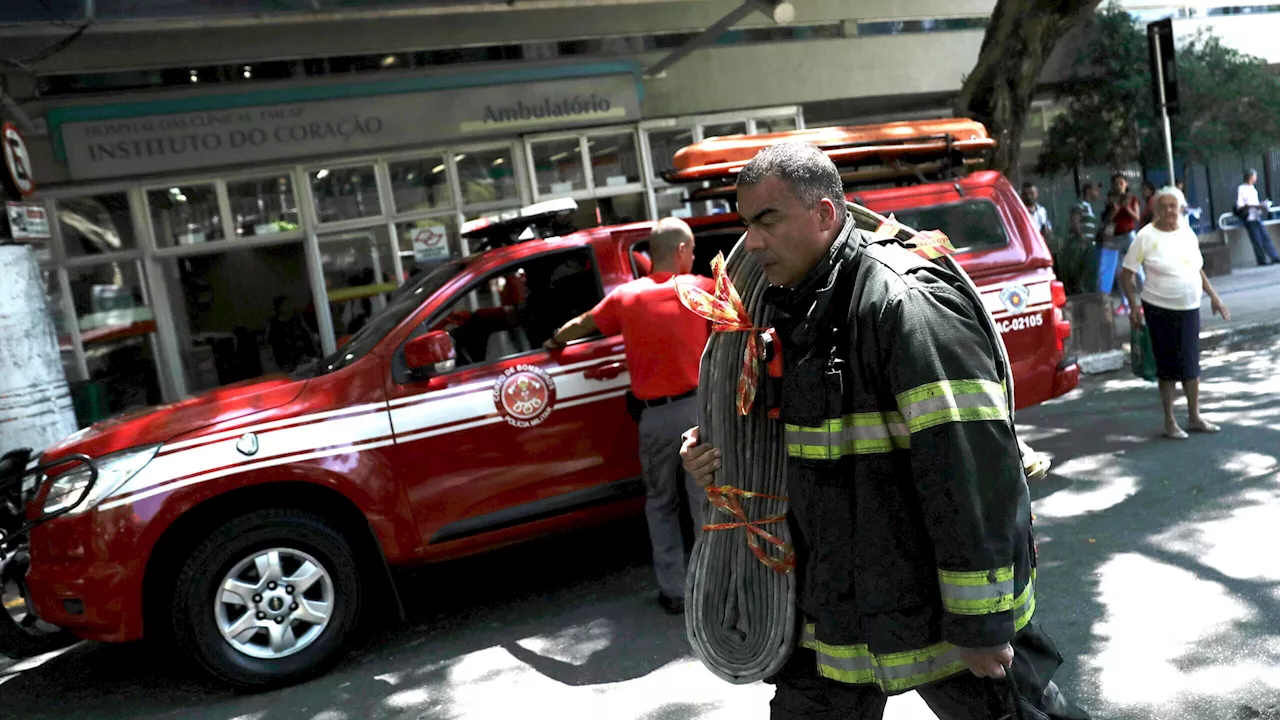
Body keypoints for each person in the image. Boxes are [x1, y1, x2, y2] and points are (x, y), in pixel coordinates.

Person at [679, 143, 1089, 719]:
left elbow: (970, 470)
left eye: (767, 220)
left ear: (824, 214)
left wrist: (982, 622)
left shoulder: (905, 305)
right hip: (835, 613)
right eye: (746, 223)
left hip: (932, 612)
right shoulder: (791, 312)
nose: (751, 243)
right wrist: (719, 452)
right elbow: (781, 437)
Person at [544, 217, 714, 615]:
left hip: (654, 418)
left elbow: (579, 326)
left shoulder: (626, 297)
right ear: (682, 251)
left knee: (660, 504)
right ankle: (713, 587)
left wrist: (552, 340)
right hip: (698, 412)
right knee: (703, 503)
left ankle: (674, 591)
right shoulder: (702, 289)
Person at [1122, 186, 1230, 440]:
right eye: (1164, 206)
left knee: (1191, 364)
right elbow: (1126, 275)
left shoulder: (1187, 233)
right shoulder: (1145, 236)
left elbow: (1198, 269)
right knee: (1168, 366)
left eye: (1174, 206)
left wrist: (1214, 297)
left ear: (1181, 208)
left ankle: (1194, 416)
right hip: (1159, 308)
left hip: (1189, 306)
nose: (1170, 210)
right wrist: (1134, 307)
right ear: (1156, 209)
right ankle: (1170, 421)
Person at [1099, 173, 1142, 315]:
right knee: (1120, 272)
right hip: (1116, 238)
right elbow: (1108, 220)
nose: (1119, 186)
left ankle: (1145, 301)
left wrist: (1127, 207)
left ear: (1126, 184)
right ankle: (1125, 303)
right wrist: (1116, 208)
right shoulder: (1110, 200)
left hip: (1129, 235)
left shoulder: (1132, 199)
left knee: (1138, 268)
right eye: (1116, 184)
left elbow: (1137, 217)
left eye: (1121, 183)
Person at [1235, 169, 1280, 266]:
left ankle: (1274, 256)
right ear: (1250, 177)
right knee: (1256, 240)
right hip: (1249, 218)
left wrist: (1261, 205)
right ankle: (1261, 260)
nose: (1256, 178)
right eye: (1254, 176)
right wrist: (1256, 206)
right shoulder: (1242, 188)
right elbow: (1240, 205)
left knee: (1265, 237)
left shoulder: (1252, 188)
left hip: (1256, 216)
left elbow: (1255, 202)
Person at [1068, 181, 1101, 248]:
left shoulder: (1090, 208)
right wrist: (1082, 238)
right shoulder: (1079, 206)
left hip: (1090, 245)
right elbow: (1075, 224)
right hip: (1082, 246)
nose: (1098, 193)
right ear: (1088, 191)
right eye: (1096, 190)